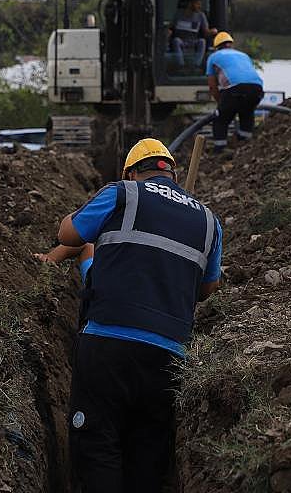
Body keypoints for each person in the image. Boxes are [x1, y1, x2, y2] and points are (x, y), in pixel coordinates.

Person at [36, 138, 223, 493]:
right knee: (147, 456)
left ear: (133, 172)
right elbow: (207, 288)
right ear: (173, 173)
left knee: (97, 447)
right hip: (169, 356)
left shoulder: (122, 193)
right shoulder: (210, 221)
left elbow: (68, 233)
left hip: (108, 343)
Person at [204, 32, 264, 153]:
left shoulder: (214, 57)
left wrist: (220, 104)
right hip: (257, 89)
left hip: (235, 89)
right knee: (247, 113)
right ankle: (244, 145)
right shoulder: (244, 55)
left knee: (221, 119)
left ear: (216, 47)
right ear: (231, 44)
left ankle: (219, 150)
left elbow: (212, 86)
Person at [167, 0, 212, 69]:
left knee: (202, 41)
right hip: (181, 40)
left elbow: (206, 31)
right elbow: (170, 27)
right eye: (197, 4)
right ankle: (181, 66)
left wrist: (212, 31)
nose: (199, 6)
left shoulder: (201, 15)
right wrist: (168, 32)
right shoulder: (179, 14)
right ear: (190, 3)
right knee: (176, 41)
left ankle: (196, 65)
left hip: (194, 41)